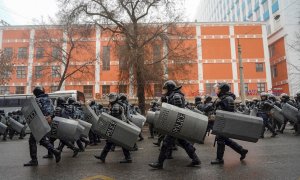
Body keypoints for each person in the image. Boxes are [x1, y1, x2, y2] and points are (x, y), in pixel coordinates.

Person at [149, 80, 201, 169]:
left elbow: (177, 111)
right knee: (183, 142)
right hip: (176, 124)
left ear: (169, 88)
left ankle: (159, 163)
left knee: (166, 143)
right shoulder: (173, 95)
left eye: (165, 89)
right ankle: (195, 159)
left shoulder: (176, 96)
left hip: (175, 124)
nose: (164, 91)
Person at [211, 83, 248, 165]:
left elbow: (230, 112)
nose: (217, 90)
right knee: (225, 140)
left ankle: (219, 159)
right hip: (221, 121)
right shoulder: (222, 98)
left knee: (221, 139)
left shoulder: (228, 98)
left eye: (219, 89)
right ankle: (241, 150)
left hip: (225, 122)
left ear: (223, 90)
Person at [24, 86, 61, 166]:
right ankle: (55, 152)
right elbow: (53, 111)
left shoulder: (37, 100)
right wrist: (50, 117)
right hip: (48, 121)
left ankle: (34, 160)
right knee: (41, 139)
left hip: (39, 122)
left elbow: (34, 113)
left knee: (32, 140)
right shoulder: (49, 100)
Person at [94, 93, 132, 163]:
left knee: (120, 142)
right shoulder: (117, 104)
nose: (110, 101)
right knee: (110, 142)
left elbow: (115, 117)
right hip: (120, 125)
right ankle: (103, 156)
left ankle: (128, 158)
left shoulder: (116, 106)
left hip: (118, 126)